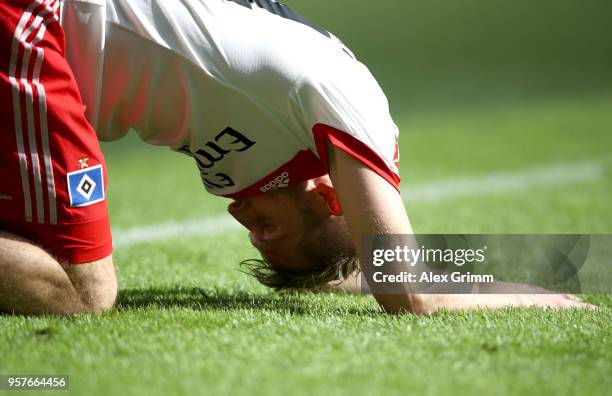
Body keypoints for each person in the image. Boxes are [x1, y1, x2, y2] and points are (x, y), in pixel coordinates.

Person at [0, 0, 593, 315]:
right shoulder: (347, 95)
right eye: (266, 225)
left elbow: (342, 272)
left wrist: (343, 264)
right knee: (83, 295)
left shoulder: (289, 152)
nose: (242, 221)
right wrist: (551, 295)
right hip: (37, 20)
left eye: (255, 230)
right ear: (330, 193)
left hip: (50, 54)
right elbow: (412, 294)